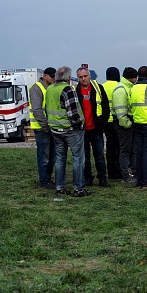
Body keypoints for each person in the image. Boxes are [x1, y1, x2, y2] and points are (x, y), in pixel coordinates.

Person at [45, 66, 90, 197]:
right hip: (71, 130)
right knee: (78, 158)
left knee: (60, 158)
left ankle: (60, 187)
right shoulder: (67, 89)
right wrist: (80, 124)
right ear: (69, 78)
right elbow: (74, 113)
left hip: (56, 129)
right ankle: (79, 188)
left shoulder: (50, 89)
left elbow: (47, 108)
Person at [75, 67, 111, 188]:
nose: (83, 79)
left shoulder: (98, 88)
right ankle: (87, 178)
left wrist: (102, 123)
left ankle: (102, 178)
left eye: (85, 76)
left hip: (96, 128)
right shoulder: (75, 90)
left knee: (99, 156)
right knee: (84, 157)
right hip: (82, 130)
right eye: (80, 77)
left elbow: (106, 106)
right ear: (78, 78)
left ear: (90, 76)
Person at [29, 67, 56, 189]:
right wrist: (45, 126)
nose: (53, 78)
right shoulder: (37, 88)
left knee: (52, 157)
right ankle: (44, 181)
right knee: (44, 157)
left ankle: (47, 179)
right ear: (44, 76)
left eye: (54, 76)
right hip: (41, 128)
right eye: (51, 76)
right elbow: (37, 109)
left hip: (50, 128)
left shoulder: (50, 88)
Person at [112, 67, 138, 184]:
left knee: (132, 150)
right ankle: (125, 176)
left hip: (128, 122)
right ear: (132, 77)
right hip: (124, 124)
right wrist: (127, 124)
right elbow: (120, 112)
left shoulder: (127, 87)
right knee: (125, 151)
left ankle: (132, 173)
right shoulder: (121, 90)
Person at [103, 67, 122, 179]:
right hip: (117, 120)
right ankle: (119, 171)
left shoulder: (102, 86)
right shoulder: (119, 86)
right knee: (120, 147)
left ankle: (110, 171)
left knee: (110, 146)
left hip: (106, 121)